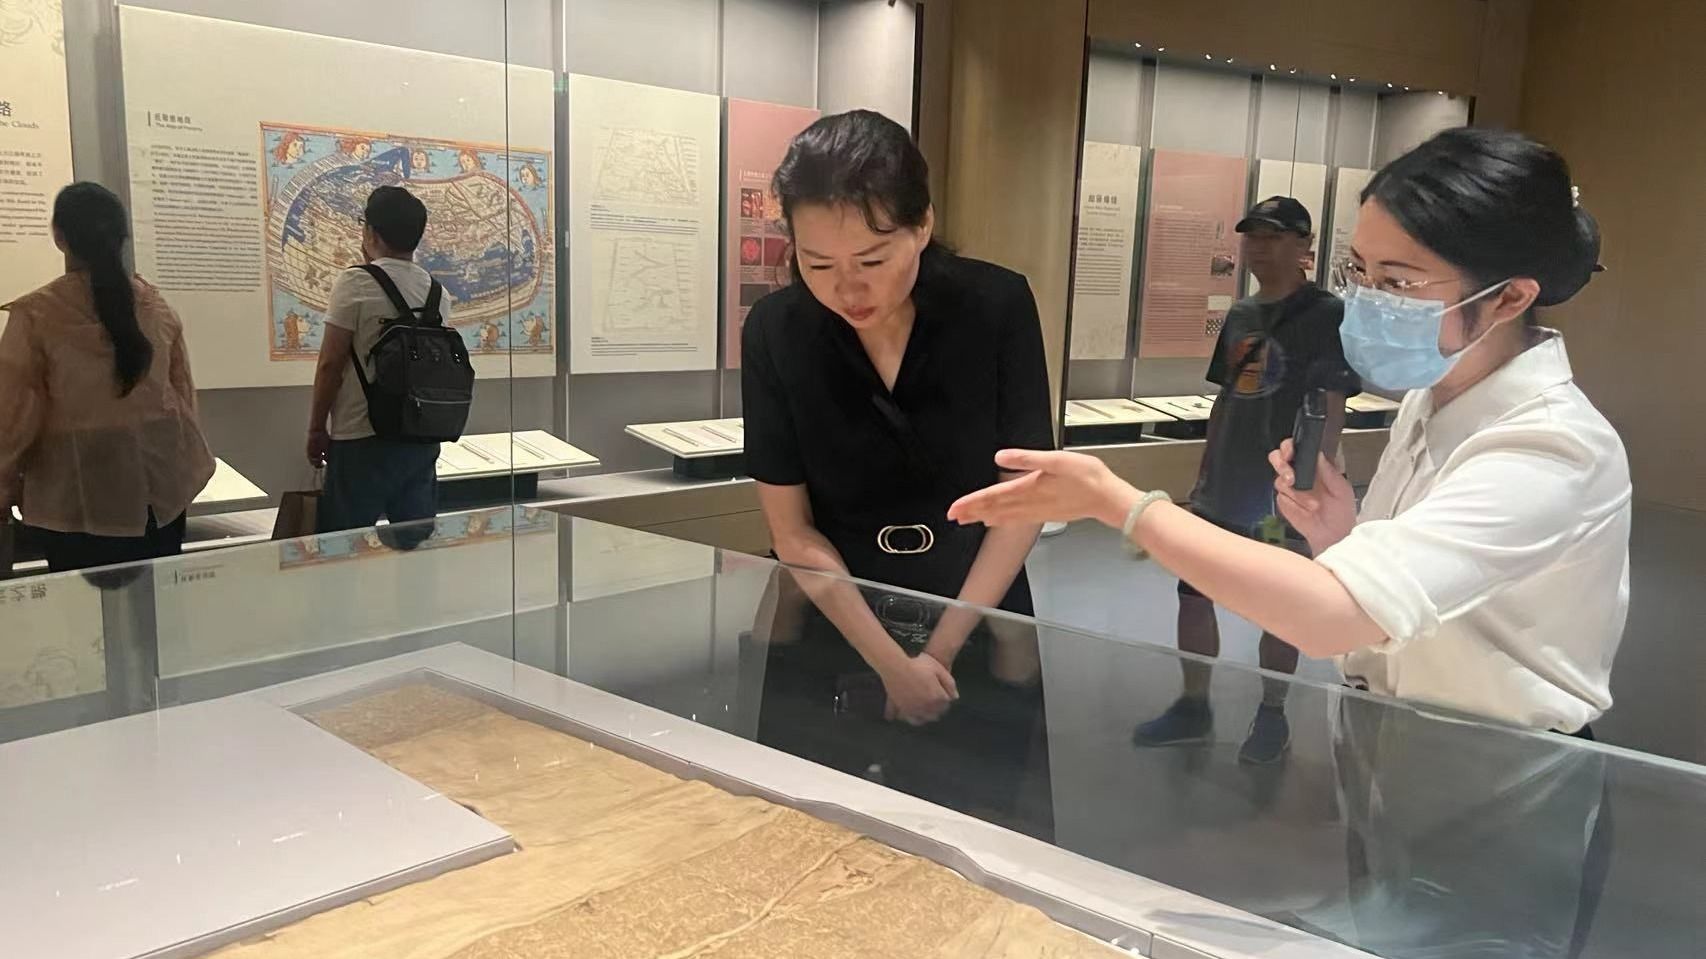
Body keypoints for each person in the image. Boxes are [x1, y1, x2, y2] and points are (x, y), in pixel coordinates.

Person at [949, 128, 1625, 957]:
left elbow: (1332, 617)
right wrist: (1345, 535)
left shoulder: (1550, 445)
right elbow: (1432, 592)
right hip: (1396, 755)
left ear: (1510, 297)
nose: (1367, 300)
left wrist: (1121, 503)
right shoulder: (1436, 399)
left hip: (1501, 787)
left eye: (1398, 282)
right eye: (1358, 271)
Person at [742, 108, 1055, 726]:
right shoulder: (777, 331)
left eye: (872, 261)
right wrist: (891, 665)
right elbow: (792, 532)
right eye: (818, 265)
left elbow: (1022, 502)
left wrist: (938, 653)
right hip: (833, 613)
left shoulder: (995, 307)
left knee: (974, 784)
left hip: (976, 605)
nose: (848, 290)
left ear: (922, 225)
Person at [1134, 196, 1356, 764]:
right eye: (1252, 236)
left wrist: (1310, 483)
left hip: (1281, 492)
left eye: (1273, 236)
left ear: (1304, 245)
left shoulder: (1325, 314)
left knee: (1279, 604)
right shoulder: (1240, 315)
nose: (1259, 247)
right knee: (1193, 592)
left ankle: (1272, 713)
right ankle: (1193, 705)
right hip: (1224, 485)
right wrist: (1203, 473)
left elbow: (1330, 404)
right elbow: (1226, 398)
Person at [0, 182, 214, 573]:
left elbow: (13, 416)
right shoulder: (155, 305)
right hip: (159, 491)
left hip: (76, 497)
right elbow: (181, 395)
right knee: (154, 603)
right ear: (120, 237)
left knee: (84, 608)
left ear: (60, 236)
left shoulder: (36, 315)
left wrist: (5, 484)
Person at [306, 186, 449, 537]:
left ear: (371, 232)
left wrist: (316, 428)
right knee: (414, 543)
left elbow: (330, 364)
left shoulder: (355, 282)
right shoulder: (436, 292)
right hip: (420, 436)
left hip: (360, 436)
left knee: (345, 544)